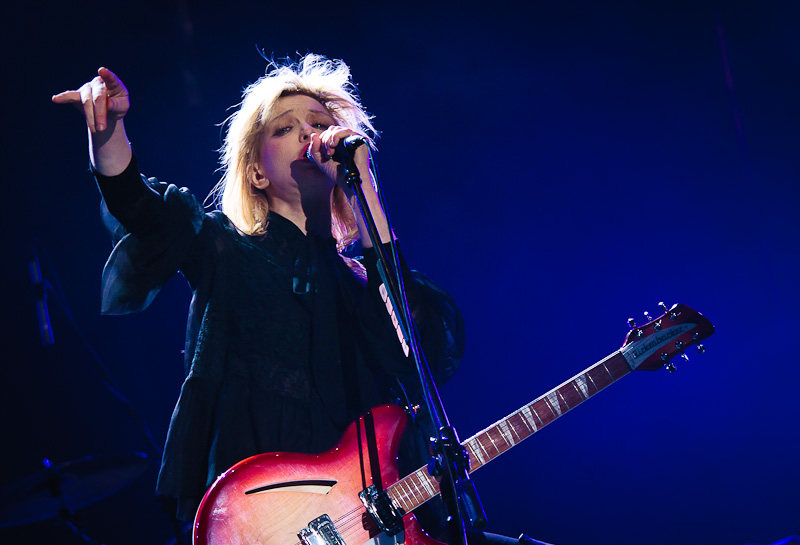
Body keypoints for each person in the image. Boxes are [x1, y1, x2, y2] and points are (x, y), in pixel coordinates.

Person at [52, 55, 551, 545]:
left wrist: (367, 192)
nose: (310, 134)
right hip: (264, 511)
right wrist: (108, 131)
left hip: (366, 521)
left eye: (319, 123)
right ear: (256, 174)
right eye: (285, 128)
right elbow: (141, 207)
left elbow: (416, 352)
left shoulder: (363, 283)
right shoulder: (223, 247)